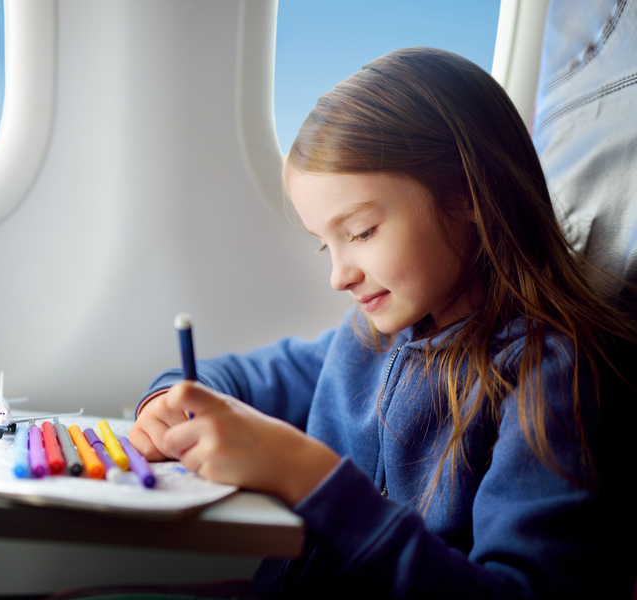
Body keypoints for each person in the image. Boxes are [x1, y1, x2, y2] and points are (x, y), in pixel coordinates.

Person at [125, 48, 637, 599]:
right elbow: (240, 380)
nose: (339, 276)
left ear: (467, 195)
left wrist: (310, 478)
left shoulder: (547, 377)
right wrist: (168, 401)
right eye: (326, 245)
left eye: (362, 231)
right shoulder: (369, 338)